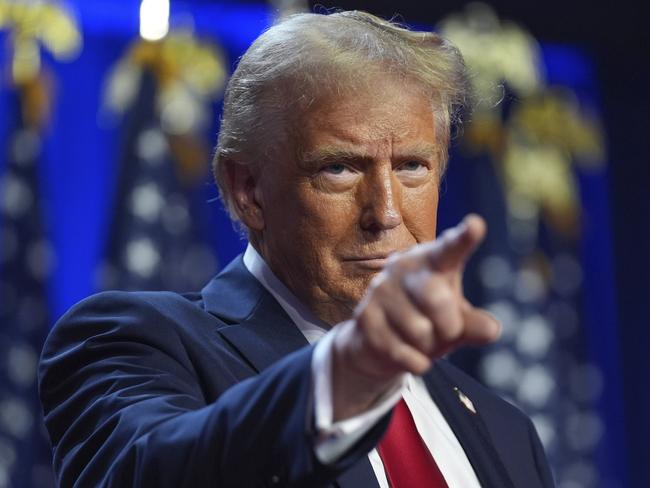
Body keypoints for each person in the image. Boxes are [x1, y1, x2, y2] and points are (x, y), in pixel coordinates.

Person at [39, 10, 554, 488]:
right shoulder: (132, 343)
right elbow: (148, 470)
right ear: (249, 190)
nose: (387, 212)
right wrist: (345, 379)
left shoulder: (506, 430)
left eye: (412, 166)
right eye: (340, 168)